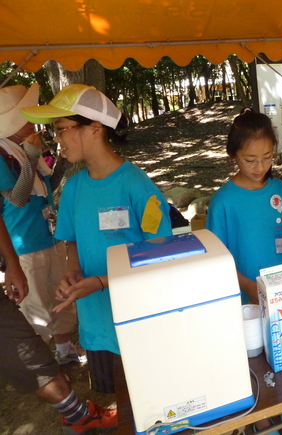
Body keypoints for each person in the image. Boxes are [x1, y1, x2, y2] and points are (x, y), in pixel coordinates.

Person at [21, 84, 173, 394]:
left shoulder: (137, 185)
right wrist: (73, 273)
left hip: (137, 321)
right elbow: (72, 241)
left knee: (150, 400)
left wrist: (102, 281)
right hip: (95, 325)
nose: (57, 140)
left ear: (95, 128)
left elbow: (160, 251)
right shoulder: (75, 188)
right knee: (115, 398)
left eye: (62, 129)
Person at [206, 108, 282, 435]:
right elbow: (218, 259)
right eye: (250, 159)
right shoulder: (223, 202)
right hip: (244, 297)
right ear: (233, 154)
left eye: (267, 157)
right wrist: (248, 286)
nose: (260, 167)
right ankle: (263, 418)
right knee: (253, 360)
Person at [0, 211, 117, 434]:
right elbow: (17, 197)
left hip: (43, 242)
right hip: (28, 248)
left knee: (31, 351)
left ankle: (78, 417)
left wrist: (11, 262)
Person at [0, 83, 82, 365]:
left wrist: (59, 165)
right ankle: (39, 367)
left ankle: (64, 350)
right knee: (36, 307)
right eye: (27, 116)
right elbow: (18, 199)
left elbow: (46, 188)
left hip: (50, 235)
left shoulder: (22, 149)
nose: (34, 121)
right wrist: (33, 157)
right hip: (25, 241)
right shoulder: (4, 154)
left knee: (60, 296)